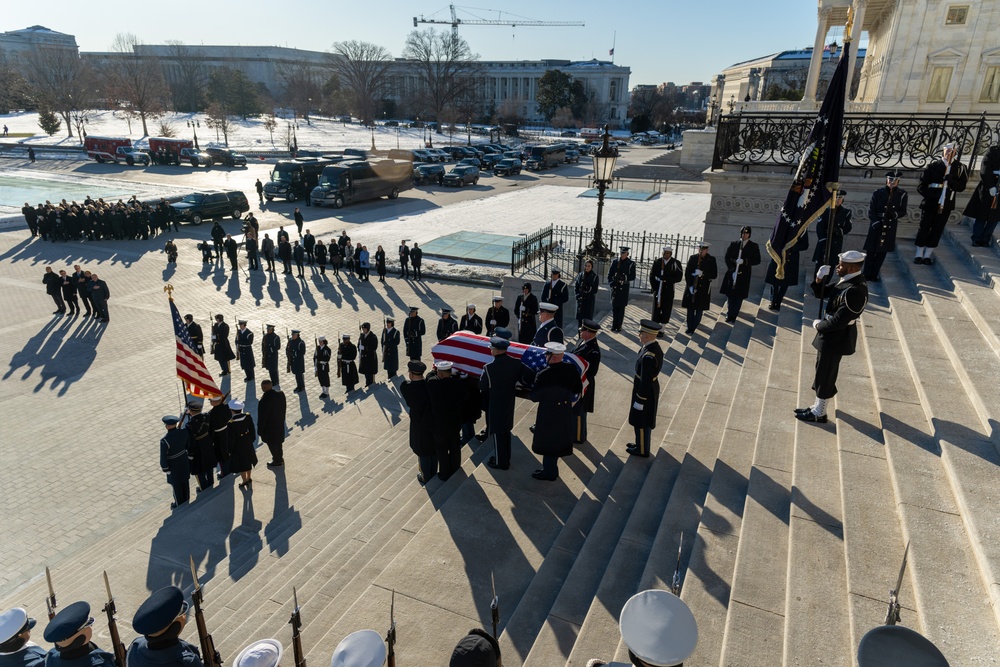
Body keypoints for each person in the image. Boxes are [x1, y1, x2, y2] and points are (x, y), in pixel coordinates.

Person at [796, 250, 869, 423]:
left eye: (841, 264)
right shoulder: (848, 281)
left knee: (826, 373)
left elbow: (838, 322)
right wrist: (819, 279)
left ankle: (820, 413)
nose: (838, 266)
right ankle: (817, 406)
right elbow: (821, 293)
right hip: (830, 335)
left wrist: (818, 326)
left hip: (836, 337)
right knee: (821, 370)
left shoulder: (855, 290)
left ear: (851, 268)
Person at [529, 342, 583, 480]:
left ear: (552, 357)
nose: (546, 357)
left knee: (549, 443)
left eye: (547, 354)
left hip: (548, 412)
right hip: (564, 411)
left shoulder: (543, 375)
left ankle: (549, 472)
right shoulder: (571, 369)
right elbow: (577, 389)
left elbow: (534, 397)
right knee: (557, 441)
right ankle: (551, 469)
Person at [915, 142, 969, 265]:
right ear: (943, 151)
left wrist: (951, 182)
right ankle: (919, 253)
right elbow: (921, 186)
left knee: (937, 228)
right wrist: (933, 195)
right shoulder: (933, 166)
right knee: (924, 226)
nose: (949, 153)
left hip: (947, 202)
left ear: (955, 153)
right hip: (931, 201)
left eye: (952, 151)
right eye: (947, 150)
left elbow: (961, 187)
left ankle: (928, 254)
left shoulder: (960, 168)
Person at [127, 587, 204, 667]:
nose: (184, 615)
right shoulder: (187, 662)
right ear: (174, 627)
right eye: (181, 613)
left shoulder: (134, 647)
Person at [480, 337, 521, 470]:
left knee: (498, 433)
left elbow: (483, 385)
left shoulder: (489, 368)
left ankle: (500, 462)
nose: (490, 351)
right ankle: (504, 457)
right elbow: (529, 375)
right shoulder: (515, 363)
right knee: (506, 431)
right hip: (509, 402)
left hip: (496, 404)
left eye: (492, 349)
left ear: (497, 351)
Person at [628, 320, 664, 457]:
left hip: (645, 392)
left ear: (648, 336)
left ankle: (642, 449)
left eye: (641, 332)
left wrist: (640, 399)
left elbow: (646, 380)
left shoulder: (649, 356)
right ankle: (639, 443)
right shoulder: (651, 347)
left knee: (642, 421)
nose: (639, 334)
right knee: (640, 420)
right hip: (645, 388)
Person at [864, 171, 909, 281]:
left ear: (898, 181)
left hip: (889, 224)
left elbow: (903, 211)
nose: (892, 182)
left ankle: (874, 274)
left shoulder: (902, 194)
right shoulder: (878, 193)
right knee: (871, 251)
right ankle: (866, 274)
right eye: (890, 180)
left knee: (881, 252)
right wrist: (876, 222)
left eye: (894, 180)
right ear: (886, 180)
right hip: (877, 224)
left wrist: (894, 215)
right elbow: (871, 210)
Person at [42, 602, 115, 667]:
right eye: (88, 625)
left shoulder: (51, 658)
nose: (91, 626)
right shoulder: (102, 663)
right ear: (80, 638)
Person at [426, 361, 465, 480]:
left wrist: (434, 371)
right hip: (455, 422)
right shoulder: (459, 384)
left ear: (440, 374)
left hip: (439, 424)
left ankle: (444, 473)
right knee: (455, 446)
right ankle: (455, 467)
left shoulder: (433, 384)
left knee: (441, 449)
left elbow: (429, 377)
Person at [400, 360, 437, 483]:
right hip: (432, 422)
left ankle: (426, 476)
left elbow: (405, 384)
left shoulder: (407, 388)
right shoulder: (430, 385)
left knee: (422, 450)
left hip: (418, 424)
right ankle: (433, 472)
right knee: (432, 447)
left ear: (410, 374)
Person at [721, 226, 761, 323]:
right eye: (743, 233)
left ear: (749, 234)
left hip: (744, 275)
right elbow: (727, 257)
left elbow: (757, 260)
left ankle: (734, 315)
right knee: (730, 296)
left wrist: (744, 261)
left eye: (746, 233)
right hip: (732, 273)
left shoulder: (753, 246)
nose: (744, 235)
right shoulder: (734, 244)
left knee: (738, 297)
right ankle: (729, 314)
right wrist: (732, 269)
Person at [572, 320, 602, 444]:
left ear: (589, 333)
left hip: (584, 384)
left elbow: (592, 372)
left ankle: (579, 436)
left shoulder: (593, 350)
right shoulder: (582, 342)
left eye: (583, 330)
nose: (580, 331)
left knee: (580, 411)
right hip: (576, 382)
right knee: (576, 409)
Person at [765, 231, 809, 311]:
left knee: (786, 281)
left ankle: (778, 300)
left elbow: (804, 245)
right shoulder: (783, 222)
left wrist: (790, 247)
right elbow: (772, 236)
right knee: (774, 280)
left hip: (791, 257)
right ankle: (773, 300)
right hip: (778, 254)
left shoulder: (802, 227)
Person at [967, 143, 1000, 247]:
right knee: (982, 214)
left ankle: (986, 238)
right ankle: (976, 238)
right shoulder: (993, 150)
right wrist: (990, 186)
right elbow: (985, 168)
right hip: (988, 185)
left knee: (995, 216)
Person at [682, 243, 718, 335]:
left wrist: (703, 273)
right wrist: (690, 286)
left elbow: (714, 275)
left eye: (704, 249)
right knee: (690, 309)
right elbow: (687, 273)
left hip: (703, 289)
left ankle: (694, 327)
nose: (702, 251)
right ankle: (689, 327)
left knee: (699, 309)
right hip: (692, 286)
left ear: (707, 250)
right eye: (700, 249)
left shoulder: (711, 260)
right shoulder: (693, 258)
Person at [813, 192, 853, 270]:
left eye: (840, 199)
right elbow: (820, 227)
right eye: (836, 198)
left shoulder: (846, 212)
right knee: (820, 265)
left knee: (831, 264)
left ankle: (827, 281)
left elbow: (848, 227)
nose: (837, 200)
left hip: (836, 241)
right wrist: (823, 240)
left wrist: (838, 231)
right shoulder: (824, 211)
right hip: (824, 240)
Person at [159, 415, 191, 509]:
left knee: (176, 485)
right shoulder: (184, 432)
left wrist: (165, 468)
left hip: (173, 465)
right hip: (184, 460)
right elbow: (187, 445)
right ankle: (186, 499)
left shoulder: (164, 441)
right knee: (185, 481)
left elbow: (163, 457)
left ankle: (178, 504)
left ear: (167, 426)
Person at [185, 400, 216, 493]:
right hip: (207, 444)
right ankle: (211, 484)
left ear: (190, 411)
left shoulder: (189, 425)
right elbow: (211, 430)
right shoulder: (206, 416)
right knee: (209, 467)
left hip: (197, 448)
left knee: (199, 471)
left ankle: (203, 489)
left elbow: (191, 441)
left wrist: (190, 454)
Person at [649, 247, 682, 332]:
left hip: (668, 290)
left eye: (667, 253)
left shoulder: (675, 263)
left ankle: (662, 329)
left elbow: (678, 277)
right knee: (656, 310)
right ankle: (654, 328)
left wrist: (667, 279)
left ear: (670, 254)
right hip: (658, 289)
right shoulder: (658, 262)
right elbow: (652, 275)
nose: (665, 255)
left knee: (666, 309)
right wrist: (654, 288)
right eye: (664, 253)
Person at [227, 399, 257, 489]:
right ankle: (249, 477)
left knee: (241, 463)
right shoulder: (247, 416)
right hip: (247, 440)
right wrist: (251, 439)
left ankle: (244, 480)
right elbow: (252, 429)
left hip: (238, 444)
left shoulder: (231, 423)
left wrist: (230, 450)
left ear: (232, 411)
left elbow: (230, 438)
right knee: (248, 459)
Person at [257, 380, 287, 468]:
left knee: (272, 445)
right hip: (279, 423)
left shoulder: (263, 401)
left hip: (269, 428)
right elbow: (284, 407)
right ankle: (280, 458)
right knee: (278, 443)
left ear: (264, 388)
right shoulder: (280, 394)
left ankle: (277, 461)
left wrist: (260, 430)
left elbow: (262, 417)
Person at [607, 247, 637, 332]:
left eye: (624, 253)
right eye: (621, 253)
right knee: (614, 307)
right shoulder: (615, 262)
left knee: (621, 308)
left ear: (627, 254)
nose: (622, 255)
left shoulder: (630, 263)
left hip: (624, 287)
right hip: (615, 287)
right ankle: (614, 324)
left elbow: (632, 276)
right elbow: (609, 275)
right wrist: (611, 284)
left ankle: (619, 325)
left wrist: (624, 277)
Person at [208, 394, 231, 479]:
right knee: (229, 451)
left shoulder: (211, 414)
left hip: (218, 436)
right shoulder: (227, 407)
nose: (210, 402)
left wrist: (211, 440)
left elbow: (211, 429)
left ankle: (224, 472)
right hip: (227, 432)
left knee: (221, 455)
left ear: (214, 402)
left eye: (210, 400)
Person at [573, 260, 599, 330]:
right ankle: (579, 336)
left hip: (589, 301)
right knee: (580, 320)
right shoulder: (581, 274)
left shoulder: (595, 276)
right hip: (581, 300)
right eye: (586, 266)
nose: (587, 267)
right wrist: (577, 295)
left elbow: (595, 290)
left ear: (591, 267)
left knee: (587, 320)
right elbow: (576, 286)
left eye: (589, 266)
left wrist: (587, 288)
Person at [358, 323, 379, 387]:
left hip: (371, 358)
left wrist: (364, 348)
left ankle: (371, 383)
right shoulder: (362, 336)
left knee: (370, 372)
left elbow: (374, 347)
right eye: (363, 329)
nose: (364, 330)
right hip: (364, 358)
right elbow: (359, 345)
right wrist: (359, 348)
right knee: (366, 372)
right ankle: (367, 383)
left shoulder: (373, 337)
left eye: (365, 329)